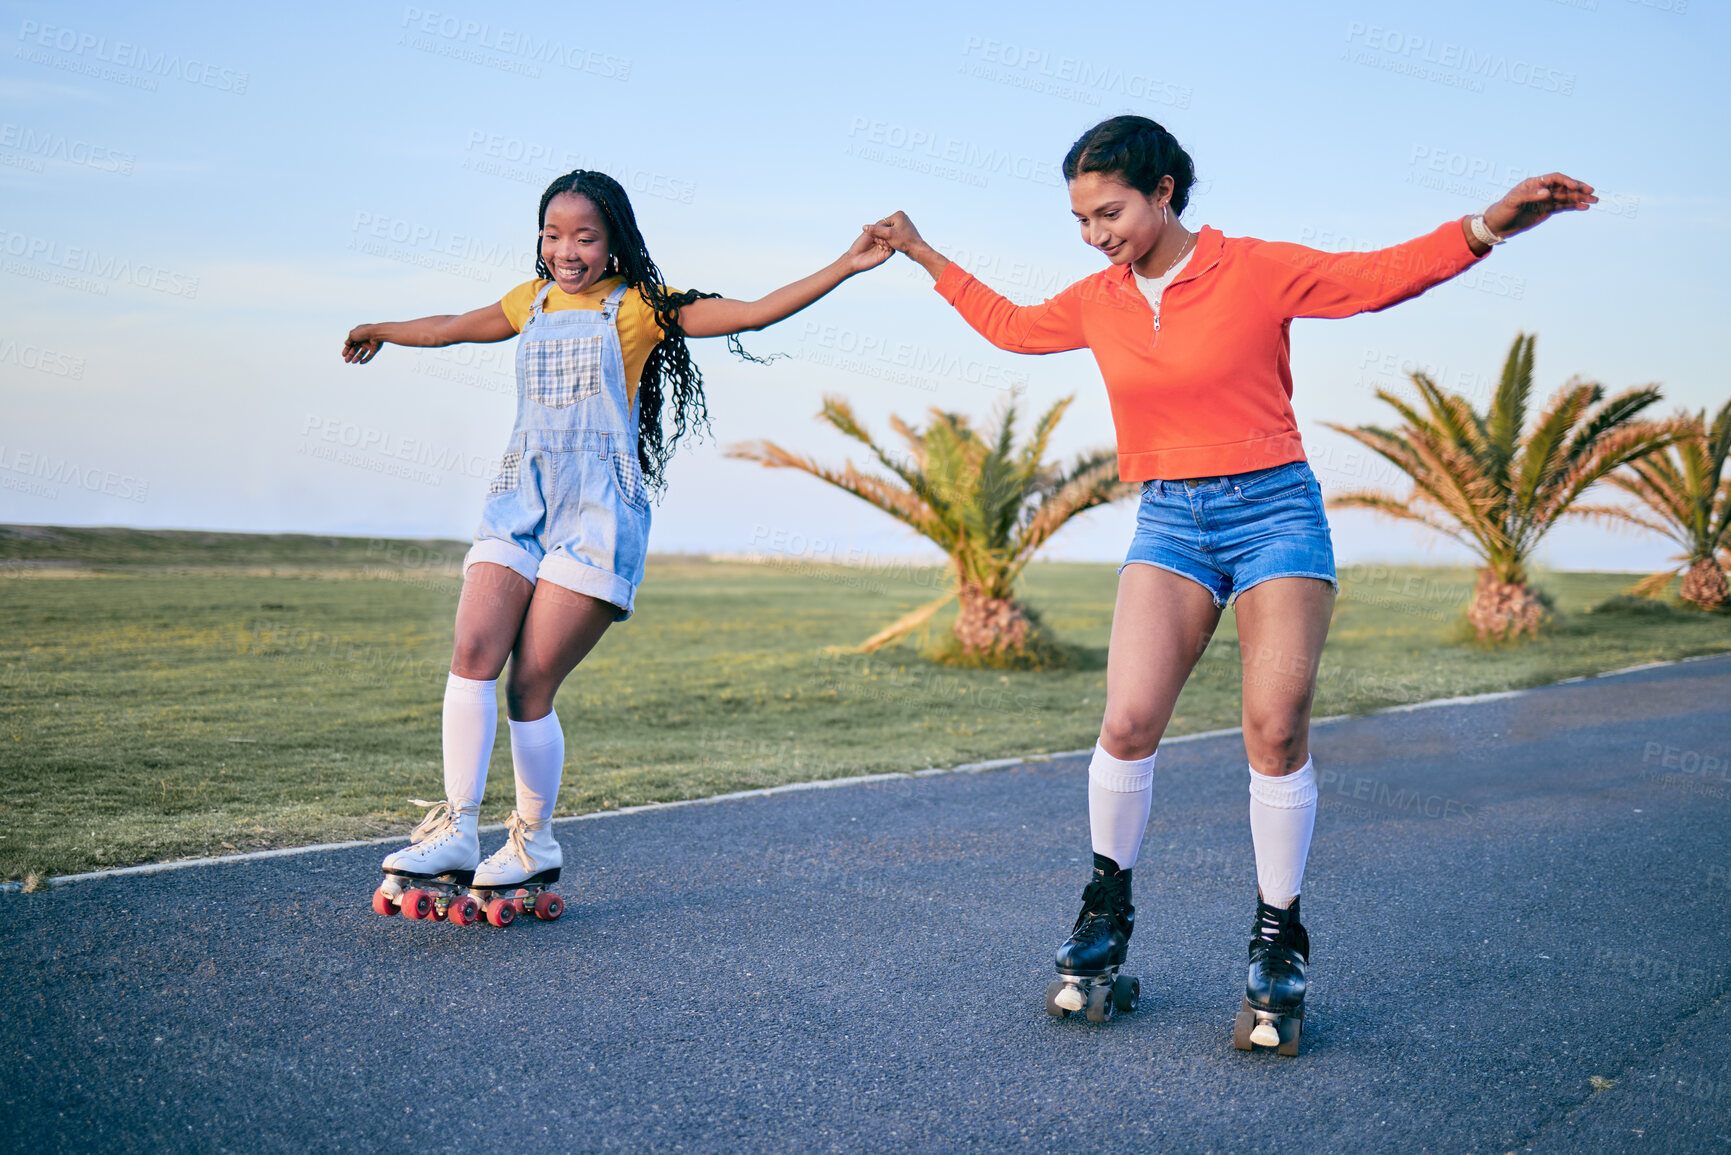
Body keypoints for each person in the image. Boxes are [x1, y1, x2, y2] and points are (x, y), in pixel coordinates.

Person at [869, 115, 1593, 1046]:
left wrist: (1487, 226)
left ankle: (1276, 934)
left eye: (1111, 212)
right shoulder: (1099, 298)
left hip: (1274, 514)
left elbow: (1373, 279)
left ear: (1164, 190)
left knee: (1274, 728)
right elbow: (1009, 327)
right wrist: (921, 251)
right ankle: (1104, 909)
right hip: (1169, 518)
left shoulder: (1251, 267)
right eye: (1082, 220)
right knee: (1127, 720)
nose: (1097, 235)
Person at [343, 170, 891, 924]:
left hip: (598, 514)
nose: (566, 250)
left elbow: (754, 314)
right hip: (518, 499)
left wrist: (843, 264)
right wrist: (382, 328)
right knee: (473, 648)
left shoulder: (637, 308)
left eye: (584, 236)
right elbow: (448, 325)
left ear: (613, 244)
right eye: (552, 234)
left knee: (528, 686)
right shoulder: (526, 302)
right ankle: (456, 827)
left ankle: (531, 840)